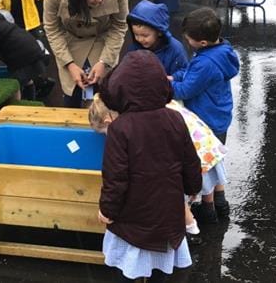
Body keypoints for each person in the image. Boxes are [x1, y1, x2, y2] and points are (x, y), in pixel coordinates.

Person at [94, 51, 202, 282]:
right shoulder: (175, 118)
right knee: (161, 268)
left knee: (129, 268)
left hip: (133, 217)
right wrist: (193, 186)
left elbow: (115, 177)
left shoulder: (120, 128)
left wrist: (108, 210)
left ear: (118, 89)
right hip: (168, 211)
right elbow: (190, 160)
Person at [90, 93, 228, 243]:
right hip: (207, 146)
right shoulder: (153, 104)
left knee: (176, 192)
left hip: (194, 154)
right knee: (200, 185)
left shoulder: (134, 122)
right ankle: (210, 212)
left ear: (108, 121)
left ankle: (190, 230)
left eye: (105, 133)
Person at [170, 8, 239, 225]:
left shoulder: (205, 62)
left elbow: (186, 90)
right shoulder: (222, 50)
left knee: (206, 168)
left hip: (205, 120)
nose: (186, 41)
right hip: (219, 115)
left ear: (202, 43)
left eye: (188, 39)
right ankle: (221, 204)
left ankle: (208, 212)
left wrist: (163, 85)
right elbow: (192, 74)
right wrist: (175, 76)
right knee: (216, 162)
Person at [43, 0, 128, 108]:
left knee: (104, 93)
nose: (100, 0)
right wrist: (69, 64)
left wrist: (104, 62)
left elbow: (119, 26)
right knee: (72, 93)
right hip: (71, 42)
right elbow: (52, 29)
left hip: (103, 39)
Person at [0, 12, 55, 100]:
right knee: (26, 80)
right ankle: (30, 101)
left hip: (24, 56)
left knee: (15, 84)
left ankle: (18, 105)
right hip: (33, 49)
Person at [126, 0, 188, 76]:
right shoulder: (134, 48)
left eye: (145, 35)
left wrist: (171, 78)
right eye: (136, 35)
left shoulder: (175, 49)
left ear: (159, 32)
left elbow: (184, 71)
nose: (140, 39)